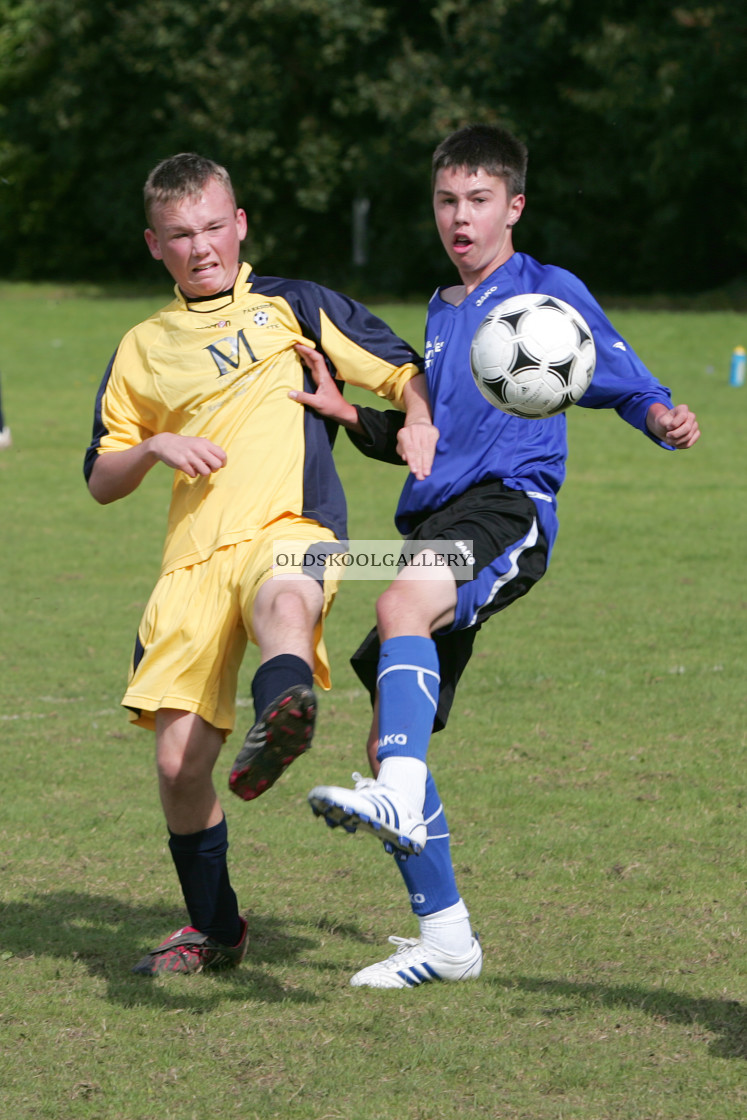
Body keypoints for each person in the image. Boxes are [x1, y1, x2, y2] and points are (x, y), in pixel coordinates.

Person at [303, 124, 700, 989]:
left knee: (398, 602)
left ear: (513, 206)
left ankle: (400, 799)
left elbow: (617, 378)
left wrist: (660, 416)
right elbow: (429, 437)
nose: (460, 217)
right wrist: (349, 415)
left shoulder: (546, 296)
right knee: (385, 740)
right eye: (446, 201)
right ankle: (447, 942)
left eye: (478, 201)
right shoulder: (444, 312)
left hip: (509, 507)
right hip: (438, 517)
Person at [83, 153, 437, 975]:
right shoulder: (140, 347)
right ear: (154, 245)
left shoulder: (295, 306)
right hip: (190, 566)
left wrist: (414, 418)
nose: (201, 246)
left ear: (238, 224)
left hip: (290, 525)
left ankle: (285, 715)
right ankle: (217, 928)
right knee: (178, 767)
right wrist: (154, 448)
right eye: (180, 235)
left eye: (213, 226)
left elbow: (403, 369)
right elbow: (102, 476)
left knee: (287, 600)